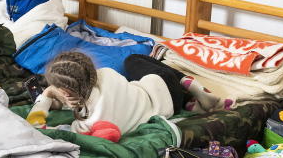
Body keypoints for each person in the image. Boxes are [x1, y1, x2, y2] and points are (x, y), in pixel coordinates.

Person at [26, 51, 183, 141]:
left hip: (171, 107)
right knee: (133, 60)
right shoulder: (107, 73)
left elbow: (35, 126)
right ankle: (190, 85)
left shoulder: (87, 124)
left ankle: (190, 91)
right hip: (161, 84)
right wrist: (60, 95)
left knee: (134, 63)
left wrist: (47, 93)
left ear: (65, 92)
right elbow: (89, 96)